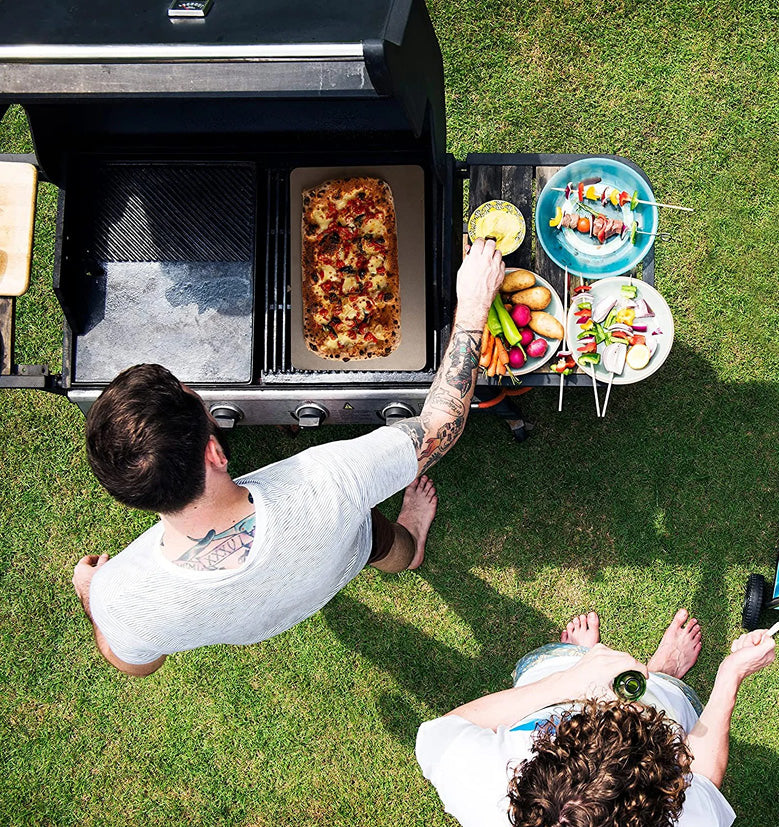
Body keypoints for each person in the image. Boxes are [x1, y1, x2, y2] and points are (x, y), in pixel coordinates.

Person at [71, 238, 505, 677]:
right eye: (199, 402)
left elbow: (137, 664)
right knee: (383, 540)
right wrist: (472, 305)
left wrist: (93, 595)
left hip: (272, 612)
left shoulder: (121, 598)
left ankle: (406, 550)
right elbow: (437, 429)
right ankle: (410, 547)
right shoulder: (329, 482)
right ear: (214, 452)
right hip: (344, 548)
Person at [417, 609, 776, 827]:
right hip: (656, 717)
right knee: (670, 700)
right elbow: (703, 780)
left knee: (543, 665)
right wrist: (730, 675)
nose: (614, 705)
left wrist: (569, 679)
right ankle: (663, 675)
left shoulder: (480, 784)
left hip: (554, 694)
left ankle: (580, 660)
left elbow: (442, 732)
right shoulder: (688, 819)